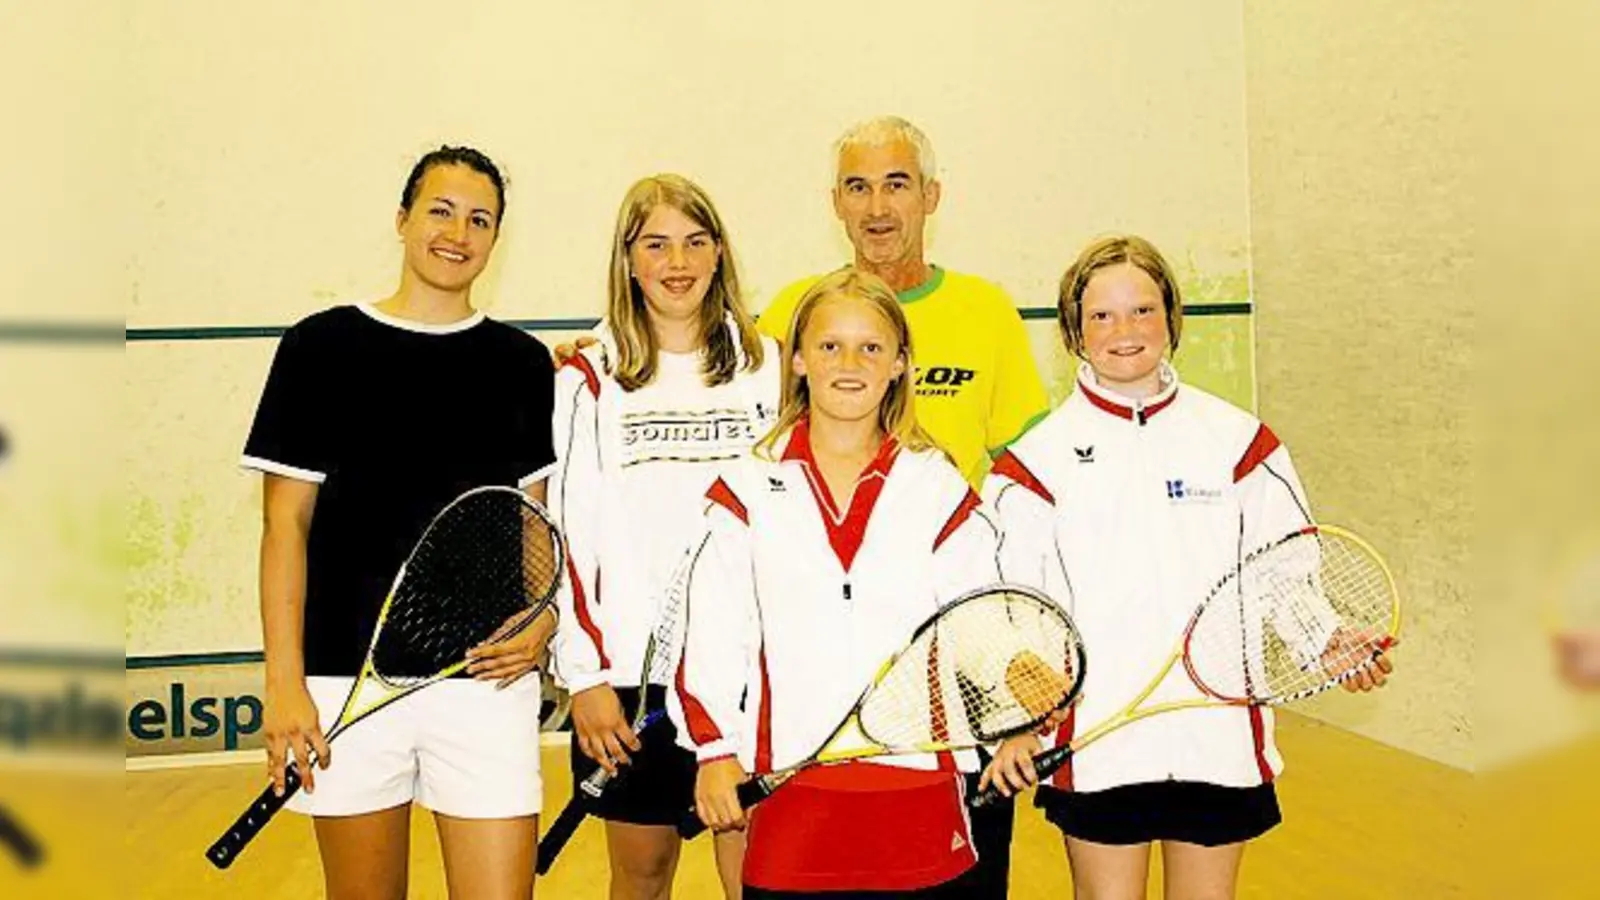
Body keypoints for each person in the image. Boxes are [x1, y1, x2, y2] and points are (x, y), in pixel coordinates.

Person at [977, 235, 1396, 900]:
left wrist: (1326, 641)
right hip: (1099, 744)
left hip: (1217, 734)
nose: (1125, 331)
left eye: (1143, 310)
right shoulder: (1032, 466)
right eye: (1103, 316)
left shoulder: (1238, 443)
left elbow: (1285, 575)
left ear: (1172, 320)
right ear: (1073, 332)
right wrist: (1022, 712)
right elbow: (1013, 610)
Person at [240, 145, 557, 900]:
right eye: (441, 211)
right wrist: (284, 682)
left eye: (480, 219)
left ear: (495, 239)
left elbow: (532, 520)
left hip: (484, 681)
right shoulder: (319, 347)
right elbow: (284, 527)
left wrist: (542, 621)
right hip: (342, 682)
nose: (459, 232)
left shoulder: (521, 363)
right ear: (402, 220)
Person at [679, 269, 1001, 898]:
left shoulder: (937, 487)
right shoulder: (746, 491)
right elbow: (716, 634)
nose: (849, 363)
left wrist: (1014, 715)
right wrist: (715, 748)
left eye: (872, 347)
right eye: (829, 346)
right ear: (797, 359)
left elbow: (980, 625)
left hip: (918, 785)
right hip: (793, 786)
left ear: (901, 365)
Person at [548, 173, 778, 899]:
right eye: (656, 244)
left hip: (749, 670)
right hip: (629, 677)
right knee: (642, 874)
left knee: (753, 869)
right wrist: (582, 677)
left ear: (718, 254)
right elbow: (567, 529)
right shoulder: (589, 375)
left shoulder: (771, 365)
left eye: (694, 241)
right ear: (628, 259)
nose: (677, 261)